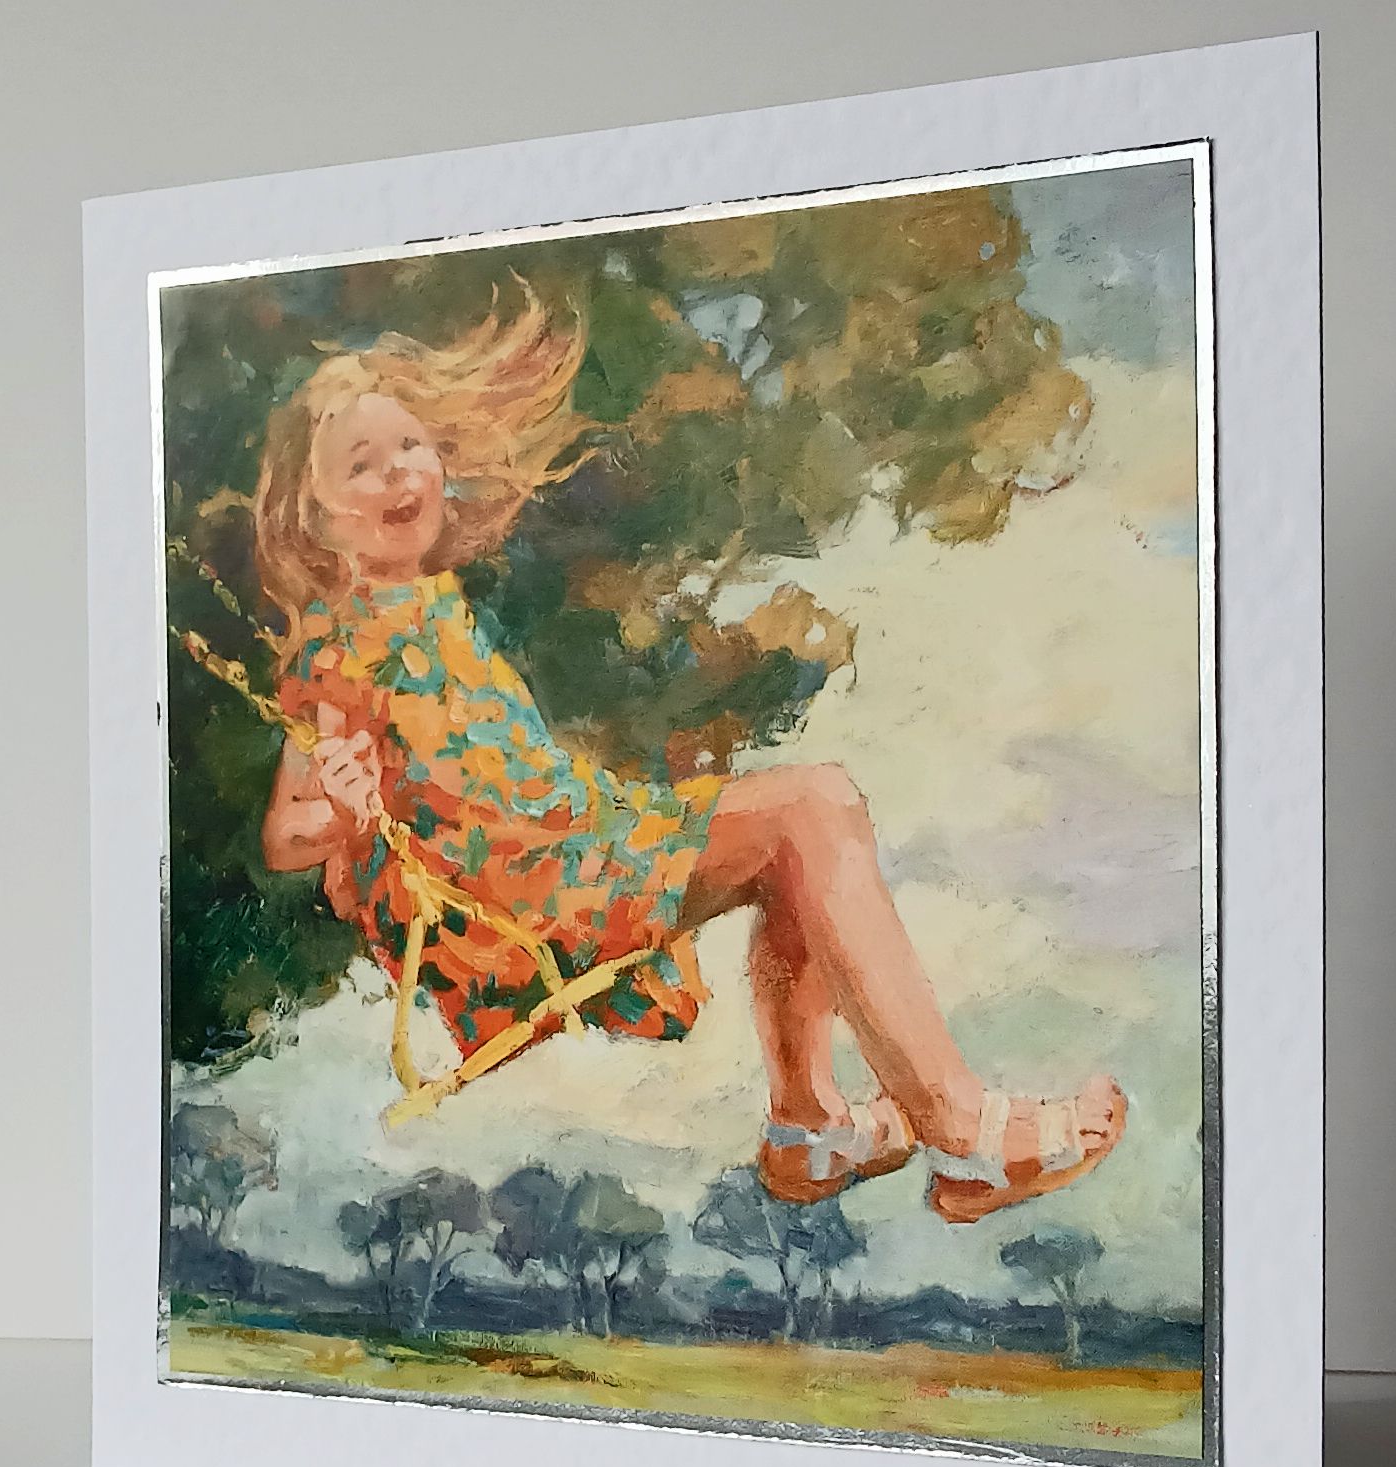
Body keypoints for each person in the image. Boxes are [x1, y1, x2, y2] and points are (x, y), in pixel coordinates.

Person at [256, 289, 1125, 1225]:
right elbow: (287, 835)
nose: (397, 474)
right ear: (318, 515)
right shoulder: (339, 646)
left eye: (410, 447)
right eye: (360, 466)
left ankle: (809, 1126)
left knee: (798, 838)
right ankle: (961, 1131)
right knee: (812, 808)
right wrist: (341, 813)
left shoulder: (434, 605)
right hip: (529, 891)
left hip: (569, 848)